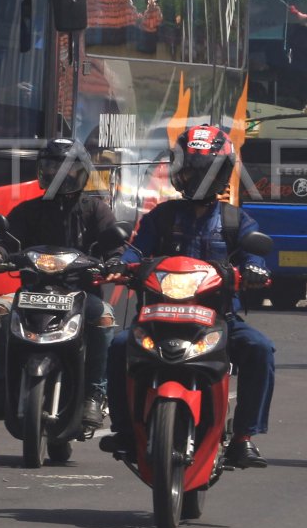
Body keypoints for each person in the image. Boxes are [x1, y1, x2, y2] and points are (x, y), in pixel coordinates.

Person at [103, 125, 275, 468]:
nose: (197, 176)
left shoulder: (234, 220)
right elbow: (136, 250)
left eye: (207, 169)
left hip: (217, 321)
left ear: (223, 173)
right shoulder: (161, 216)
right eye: (191, 167)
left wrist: (255, 271)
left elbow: (255, 255)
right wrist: (120, 264)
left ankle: (244, 437)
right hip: (158, 319)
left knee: (259, 348)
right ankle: (123, 430)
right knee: (119, 345)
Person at [0, 137, 124, 429]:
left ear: (82, 173)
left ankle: (93, 394)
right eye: (50, 167)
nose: (56, 174)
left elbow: (114, 245)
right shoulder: (27, 210)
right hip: (31, 292)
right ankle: (0, 386)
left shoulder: (96, 210)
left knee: (104, 318)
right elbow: (4, 241)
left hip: (81, 295)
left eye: (66, 169)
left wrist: (113, 261)